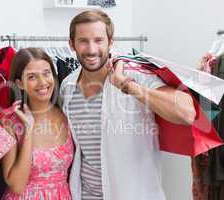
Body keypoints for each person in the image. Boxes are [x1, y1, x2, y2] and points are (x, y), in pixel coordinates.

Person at [60, 10, 196, 200]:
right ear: (71, 44)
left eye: (98, 40)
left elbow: (187, 113)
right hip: (84, 195)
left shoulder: (135, 75)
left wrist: (128, 86)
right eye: (83, 41)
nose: (91, 49)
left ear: (111, 42)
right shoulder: (67, 85)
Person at [0, 48, 74, 200]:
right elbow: (17, 186)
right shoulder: (10, 122)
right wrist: (29, 130)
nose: (42, 82)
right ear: (19, 84)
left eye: (47, 73)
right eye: (32, 77)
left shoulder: (67, 113)